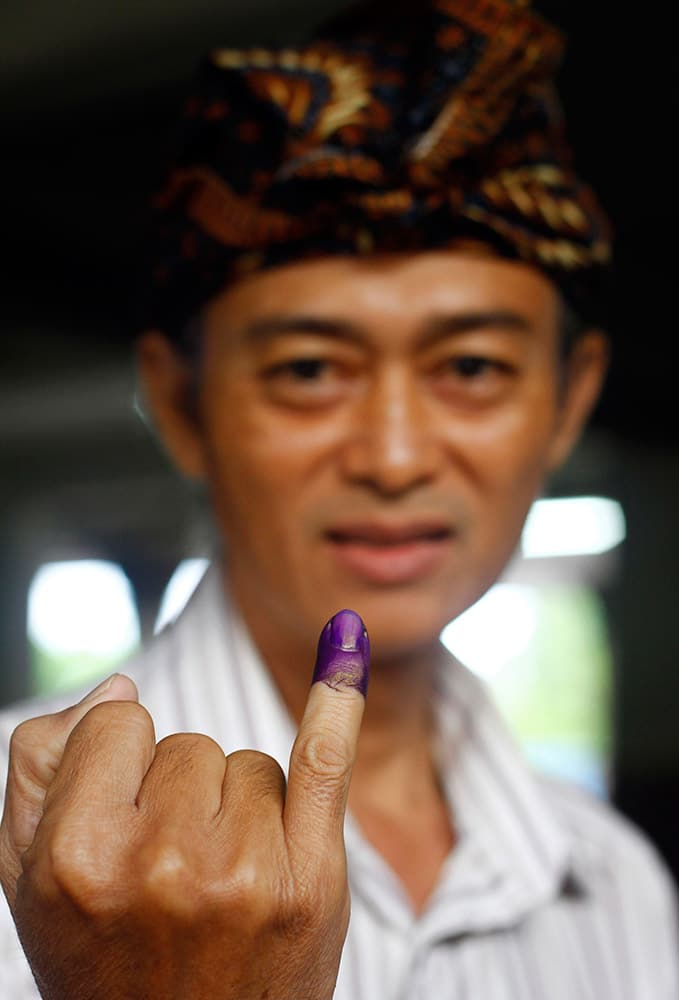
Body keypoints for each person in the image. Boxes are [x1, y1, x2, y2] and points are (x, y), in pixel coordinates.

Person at [0, 0, 677, 996]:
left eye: (475, 365)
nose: (395, 456)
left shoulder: (613, 878)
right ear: (181, 405)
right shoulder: (21, 841)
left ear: (567, 399)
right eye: (311, 368)